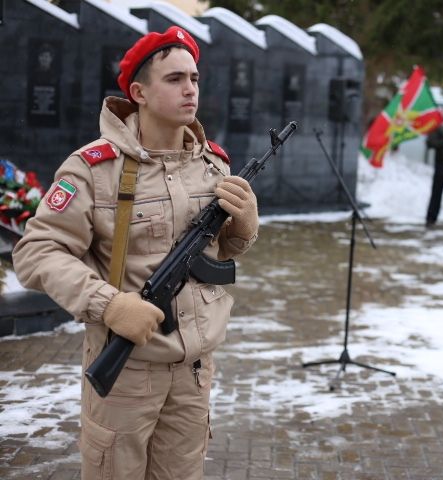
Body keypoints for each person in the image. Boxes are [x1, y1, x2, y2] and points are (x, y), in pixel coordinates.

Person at [12, 27, 259, 479]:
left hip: (194, 373)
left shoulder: (213, 164)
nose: (190, 89)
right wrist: (109, 303)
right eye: (175, 79)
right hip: (126, 373)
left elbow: (215, 255)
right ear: (139, 92)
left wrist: (242, 229)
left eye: (195, 78)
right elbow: (36, 252)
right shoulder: (94, 169)